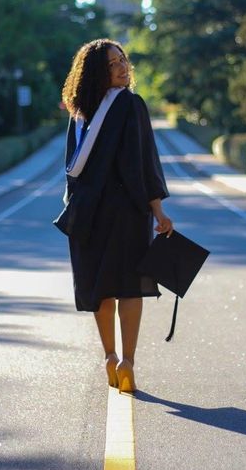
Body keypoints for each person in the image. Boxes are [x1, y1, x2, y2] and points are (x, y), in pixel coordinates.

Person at [54, 38, 173, 393]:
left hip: (87, 215)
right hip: (126, 212)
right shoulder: (131, 105)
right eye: (112, 64)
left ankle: (109, 357)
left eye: (123, 60)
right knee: (128, 289)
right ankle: (127, 362)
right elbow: (144, 161)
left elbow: (71, 170)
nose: (122, 67)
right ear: (97, 73)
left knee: (99, 287)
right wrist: (158, 211)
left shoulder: (79, 115)